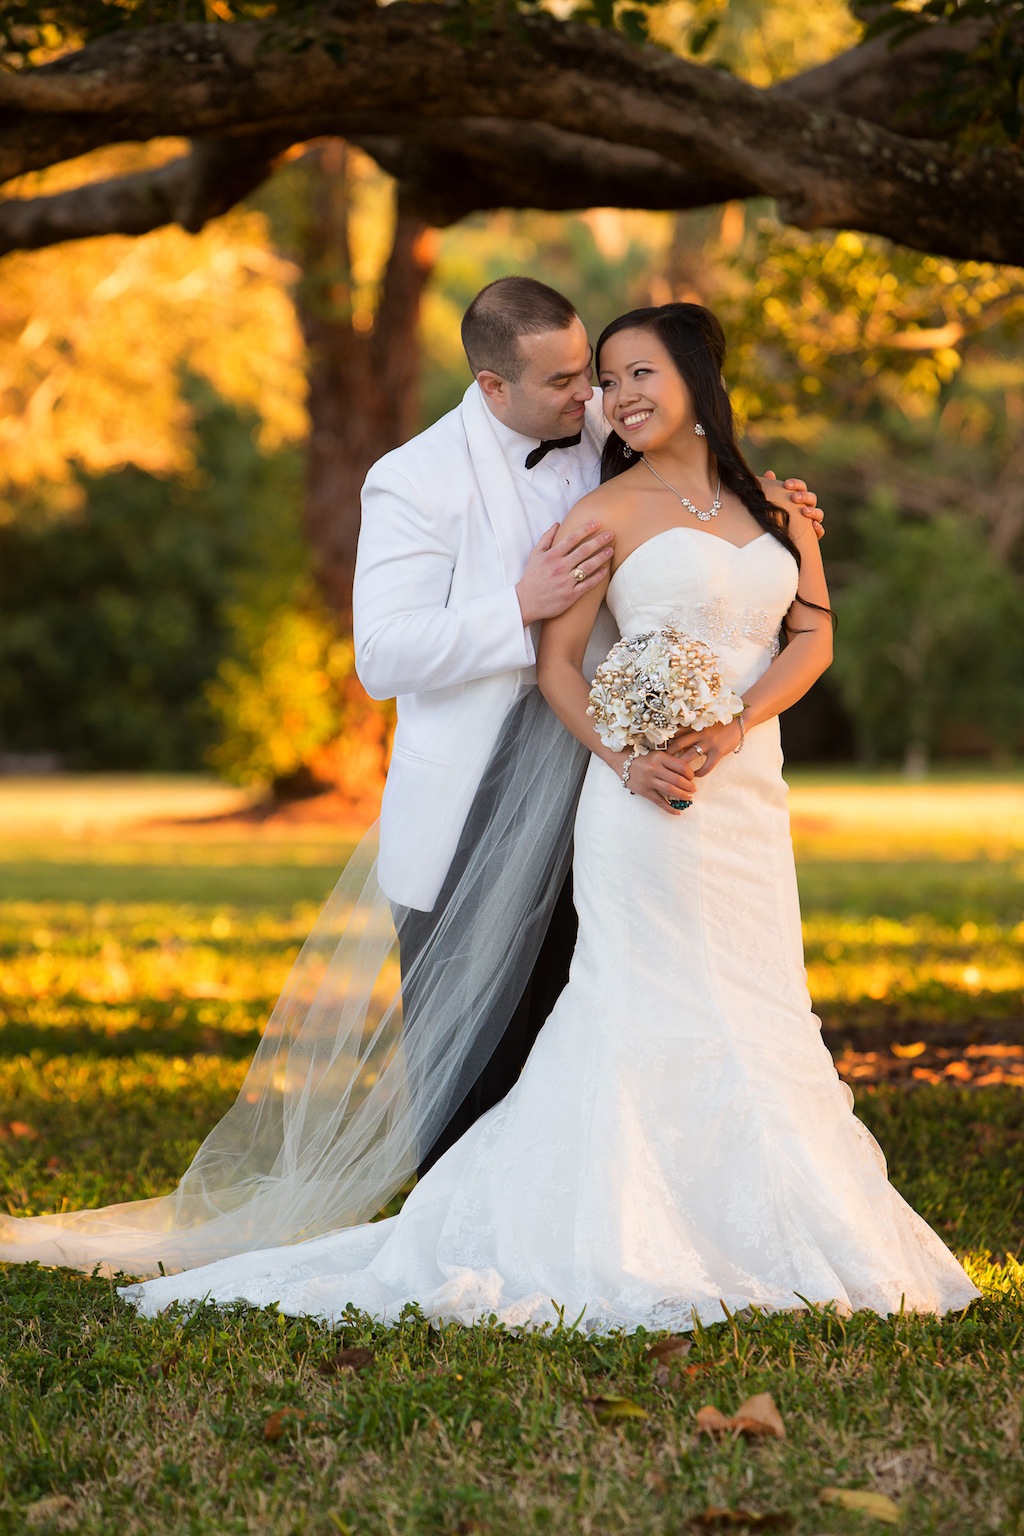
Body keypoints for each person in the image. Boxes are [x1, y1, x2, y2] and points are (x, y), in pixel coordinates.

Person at [118, 302, 979, 1332]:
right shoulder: (587, 506)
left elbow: (811, 636)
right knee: (636, 1008)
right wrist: (626, 755)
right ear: (501, 385)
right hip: (637, 802)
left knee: (761, 1005)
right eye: (600, 381)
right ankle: (598, 1231)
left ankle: (763, 1224)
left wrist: (734, 726)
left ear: (700, 377)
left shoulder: (772, 506)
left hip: (746, 801)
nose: (610, 399)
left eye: (631, 374)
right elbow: (553, 662)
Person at [0, 279, 823, 1281]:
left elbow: (685, 446)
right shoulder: (413, 478)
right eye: (568, 381)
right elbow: (381, 656)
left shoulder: (607, 417)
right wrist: (515, 603)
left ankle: (630, 1217)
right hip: (483, 777)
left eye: (594, 375)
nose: (592, 400)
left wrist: (780, 519)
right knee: (470, 1038)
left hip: (616, 775)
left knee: (599, 1001)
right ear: (492, 381)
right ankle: (463, 1248)